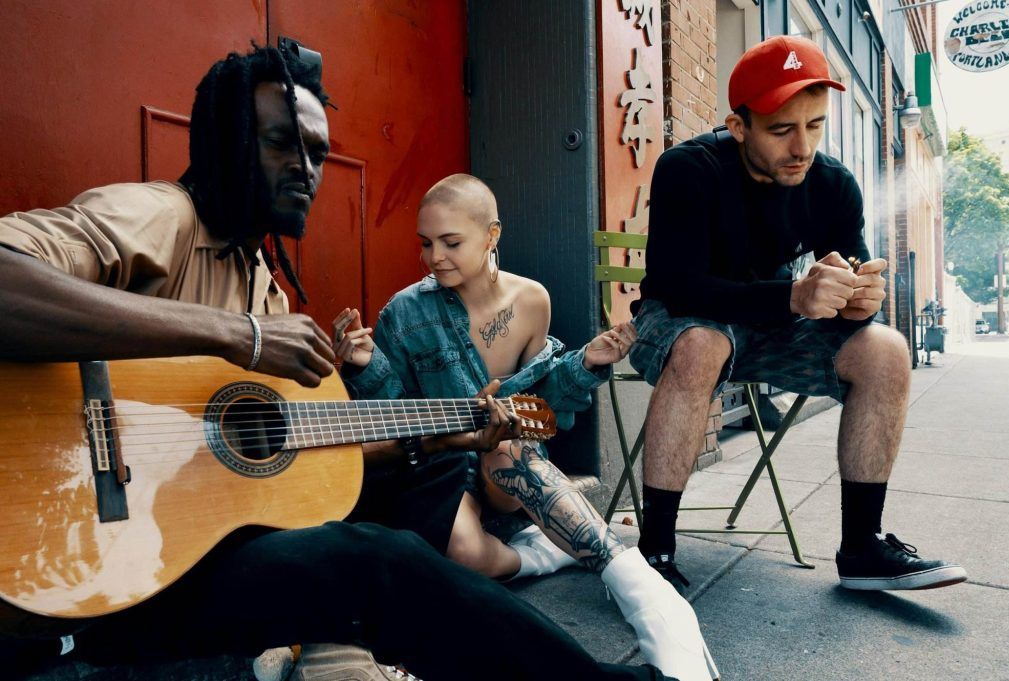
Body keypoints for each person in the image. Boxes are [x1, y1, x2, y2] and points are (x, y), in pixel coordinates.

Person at [0, 45, 677, 681]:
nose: (306, 168)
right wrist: (241, 336)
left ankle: (356, 636)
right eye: (280, 144)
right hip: (102, 567)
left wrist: (452, 432)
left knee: (431, 465)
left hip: (190, 546)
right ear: (224, 143)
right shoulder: (160, 216)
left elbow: (294, 443)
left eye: (318, 152)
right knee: (376, 563)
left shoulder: (258, 276)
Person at [334, 173, 718, 681]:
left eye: (451, 242)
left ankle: (642, 587)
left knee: (510, 445)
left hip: (507, 471)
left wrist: (586, 363)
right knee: (466, 558)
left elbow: (544, 405)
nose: (434, 257)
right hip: (442, 465)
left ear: (492, 234)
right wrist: (365, 365)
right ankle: (539, 556)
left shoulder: (532, 301)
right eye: (426, 244)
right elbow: (397, 414)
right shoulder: (403, 314)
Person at [629, 35, 967, 593]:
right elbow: (679, 285)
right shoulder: (688, 169)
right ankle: (654, 554)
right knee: (702, 344)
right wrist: (791, 297)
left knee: (886, 350)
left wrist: (856, 303)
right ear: (739, 127)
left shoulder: (833, 185)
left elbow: (842, 288)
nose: (801, 146)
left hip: (769, 327)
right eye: (782, 129)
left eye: (814, 125)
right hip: (677, 320)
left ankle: (863, 548)